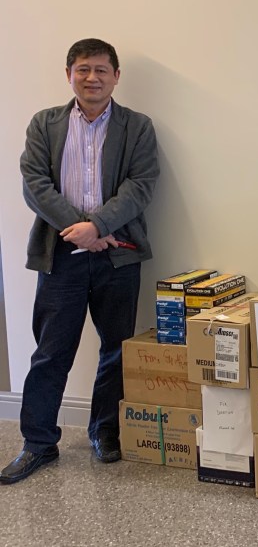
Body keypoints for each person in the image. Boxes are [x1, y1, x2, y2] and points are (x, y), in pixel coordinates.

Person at [0, 39, 159, 485]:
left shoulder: (137, 127)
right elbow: (34, 183)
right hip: (60, 256)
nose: (92, 77)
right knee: (51, 352)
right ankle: (37, 443)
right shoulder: (44, 124)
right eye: (83, 69)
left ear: (116, 76)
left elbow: (141, 184)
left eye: (102, 70)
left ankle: (103, 431)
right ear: (69, 73)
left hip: (118, 258)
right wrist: (81, 228)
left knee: (116, 349)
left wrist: (101, 225)